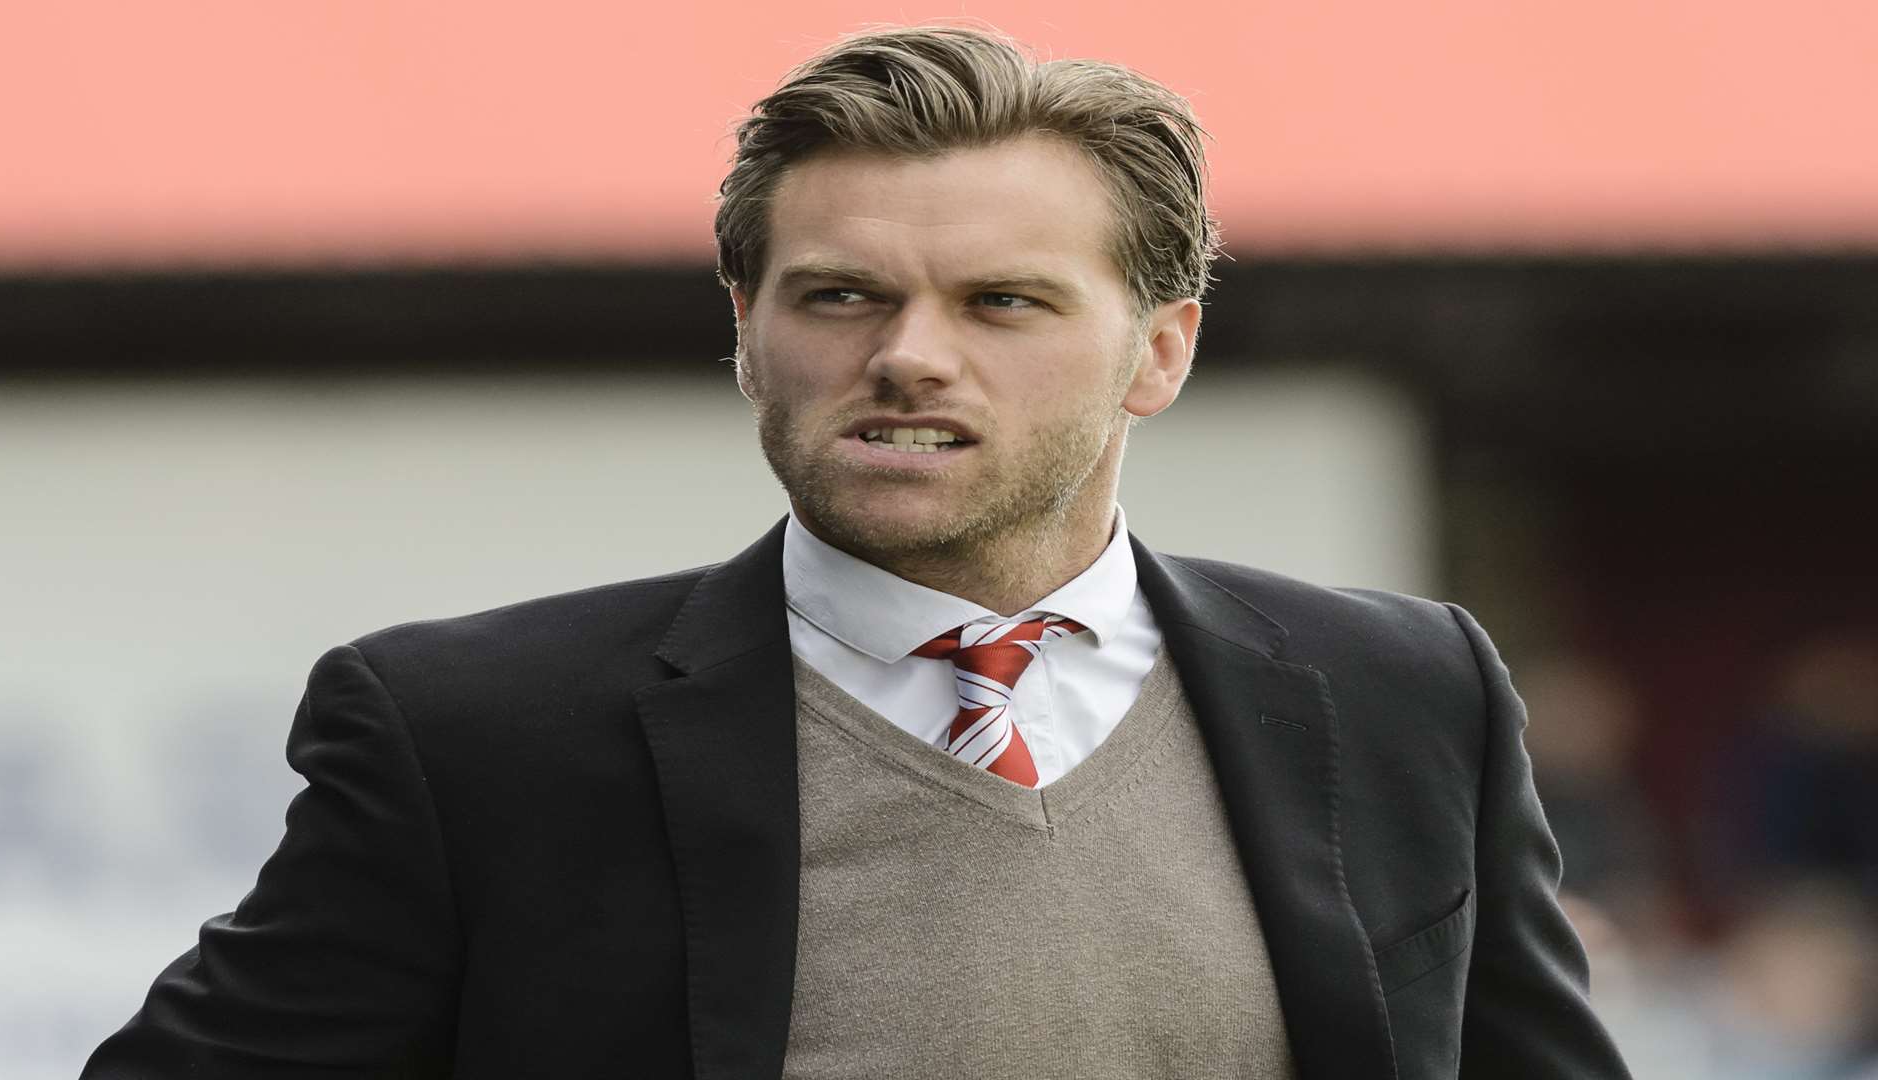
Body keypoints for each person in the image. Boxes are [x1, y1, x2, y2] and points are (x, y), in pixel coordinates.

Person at [83, 25, 1630, 1079]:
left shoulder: (1403, 690)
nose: (908, 356)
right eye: (838, 297)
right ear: (746, 334)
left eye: (1002, 303)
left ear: (1158, 354)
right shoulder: (468, 736)